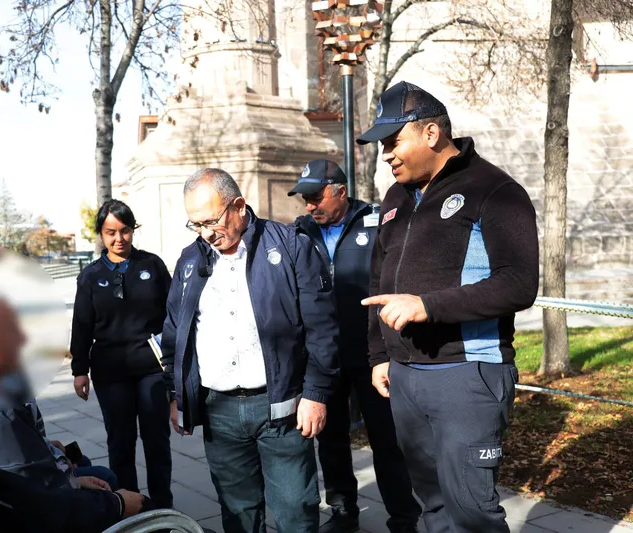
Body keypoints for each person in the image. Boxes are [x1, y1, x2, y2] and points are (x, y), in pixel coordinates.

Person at [357, 81, 539, 533]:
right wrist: (379, 355)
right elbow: (379, 282)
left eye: (393, 141)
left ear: (432, 133)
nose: (386, 155)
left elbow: (519, 284)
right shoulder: (396, 197)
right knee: (433, 506)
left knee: (472, 512)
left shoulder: (495, 189)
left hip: (467, 374)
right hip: (403, 377)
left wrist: (428, 306)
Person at [161, 168, 340, 533]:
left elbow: (322, 328)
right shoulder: (189, 261)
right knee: (238, 514)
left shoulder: (289, 246)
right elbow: (174, 332)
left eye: (211, 221)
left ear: (239, 206)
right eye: (196, 224)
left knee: (296, 510)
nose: (205, 233)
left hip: (282, 408)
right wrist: (176, 393)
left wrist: (316, 394)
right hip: (219, 412)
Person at [0, 293, 146, 529]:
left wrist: (66, 474)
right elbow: (50, 511)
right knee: (140, 505)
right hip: (8, 517)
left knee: (96, 474)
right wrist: (118, 503)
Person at [289, 159, 421, 533]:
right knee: (330, 438)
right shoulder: (299, 233)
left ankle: (404, 518)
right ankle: (343, 510)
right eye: (305, 199)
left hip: (372, 353)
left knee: (387, 439)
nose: (310, 206)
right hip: (323, 356)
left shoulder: (377, 222)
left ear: (341, 191)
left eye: (316, 197)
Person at [70, 199, 174, 509]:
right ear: (101, 234)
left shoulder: (152, 266)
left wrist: (176, 365)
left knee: (157, 442)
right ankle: (132, 510)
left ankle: (162, 508)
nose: (119, 239)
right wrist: (80, 369)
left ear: (132, 230)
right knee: (120, 443)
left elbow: (173, 316)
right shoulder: (90, 276)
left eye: (125, 231)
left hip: (152, 370)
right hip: (111, 374)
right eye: (110, 232)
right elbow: (81, 325)